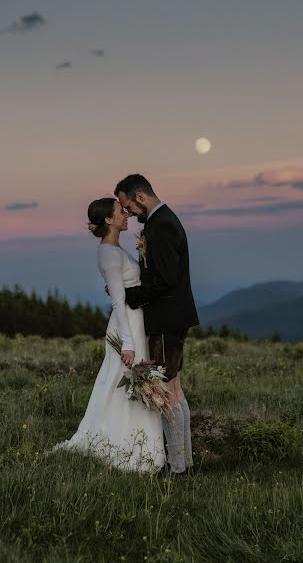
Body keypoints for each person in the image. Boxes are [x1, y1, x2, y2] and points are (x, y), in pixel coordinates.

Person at [52, 198, 165, 473]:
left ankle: (142, 441)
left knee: (125, 381)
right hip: (125, 326)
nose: (126, 215)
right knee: (123, 382)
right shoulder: (109, 254)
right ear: (109, 221)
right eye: (120, 212)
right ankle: (122, 443)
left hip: (134, 321)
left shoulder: (115, 248)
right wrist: (127, 343)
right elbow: (117, 300)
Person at [115, 174, 199, 475]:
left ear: (140, 196)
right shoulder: (160, 221)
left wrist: (130, 295)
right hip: (174, 317)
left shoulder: (161, 225)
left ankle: (177, 469)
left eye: (128, 206)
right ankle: (185, 463)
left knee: (164, 392)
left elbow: (164, 280)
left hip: (166, 318)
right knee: (175, 389)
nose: (128, 214)